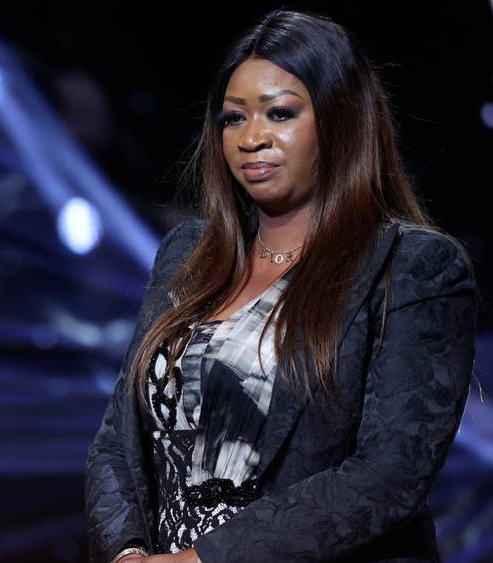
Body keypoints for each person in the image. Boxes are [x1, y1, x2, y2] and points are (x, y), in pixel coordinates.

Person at [85, 9, 476, 563]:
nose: (251, 138)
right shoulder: (188, 254)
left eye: (280, 113)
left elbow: (387, 476)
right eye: (233, 118)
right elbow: (118, 443)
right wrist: (127, 554)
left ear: (341, 120)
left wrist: (200, 561)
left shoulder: (413, 267)